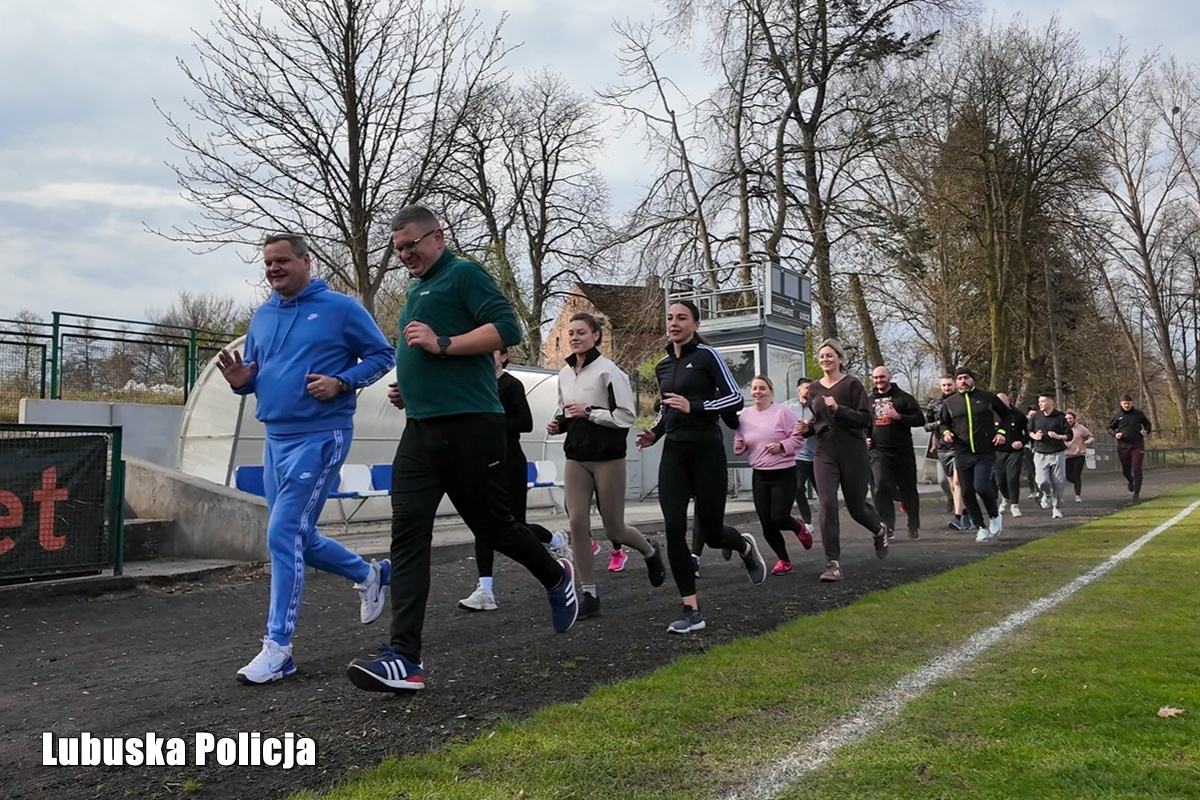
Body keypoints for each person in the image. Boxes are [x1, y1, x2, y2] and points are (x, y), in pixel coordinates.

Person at [347, 206, 578, 693]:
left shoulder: (464, 273)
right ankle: (404, 658)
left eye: (412, 245)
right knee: (408, 533)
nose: (406, 255)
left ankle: (556, 575)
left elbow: (507, 328)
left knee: (493, 527)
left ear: (439, 237)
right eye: (399, 249)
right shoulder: (415, 290)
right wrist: (412, 387)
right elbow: (424, 355)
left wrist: (442, 342)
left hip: (472, 427)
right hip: (421, 428)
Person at [217, 233, 396, 685]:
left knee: (282, 533)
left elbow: (382, 354)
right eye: (268, 263)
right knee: (300, 536)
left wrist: (342, 381)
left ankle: (278, 649)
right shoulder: (262, 316)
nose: (274, 269)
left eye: (282, 261)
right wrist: (241, 381)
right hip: (275, 436)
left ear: (305, 261)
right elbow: (257, 376)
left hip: (321, 434)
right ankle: (368, 574)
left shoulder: (342, 309)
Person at [634, 300, 766, 634]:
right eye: (669, 318)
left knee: (711, 531)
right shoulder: (663, 366)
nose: (674, 323)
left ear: (695, 324)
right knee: (674, 529)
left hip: (707, 452)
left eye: (681, 318)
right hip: (674, 454)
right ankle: (691, 609)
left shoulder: (707, 357)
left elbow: (734, 398)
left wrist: (695, 405)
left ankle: (744, 547)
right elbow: (668, 410)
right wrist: (655, 433)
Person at [546, 312, 666, 618]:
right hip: (576, 456)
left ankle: (650, 551)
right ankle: (589, 594)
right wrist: (559, 423)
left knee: (614, 528)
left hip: (608, 458)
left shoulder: (609, 372)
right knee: (577, 524)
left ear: (596, 335)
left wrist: (591, 413)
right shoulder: (563, 373)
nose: (574, 337)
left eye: (581, 332)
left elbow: (626, 417)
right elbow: (565, 409)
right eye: (570, 333)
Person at [458, 351, 570, 612]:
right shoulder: (475, 383)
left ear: (503, 357)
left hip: (509, 462)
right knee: (482, 525)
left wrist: (491, 422)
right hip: (481, 463)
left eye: (491, 353)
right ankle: (485, 590)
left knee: (514, 526)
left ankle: (555, 542)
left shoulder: (511, 385)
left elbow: (525, 423)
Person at [795, 339, 890, 582]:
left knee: (856, 507)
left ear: (840, 358)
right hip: (824, 450)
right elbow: (818, 421)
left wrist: (839, 409)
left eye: (830, 355)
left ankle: (879, 530)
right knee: (827, 503)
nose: (825, 359)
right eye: (822, 356)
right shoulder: (814, 388)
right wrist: (807, 428)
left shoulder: (852, 384)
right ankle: (832, 563)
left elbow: (865, 420)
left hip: (852, 449)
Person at [733, 376, 812, 576]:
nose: (758, 392)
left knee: (778, 518)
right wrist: (740, 446)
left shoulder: (782, 413)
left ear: (770, 391)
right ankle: (784, 561)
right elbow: (741, 439)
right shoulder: (745, 416)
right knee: (766, 522)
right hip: (759, 474)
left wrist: (782, 446)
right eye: (754, 388)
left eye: (762, 388)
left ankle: (797, 526)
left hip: (784, 473)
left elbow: (798, 437)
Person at [938, 367, 1009, 543]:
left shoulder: (987, 397)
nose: (963, 381)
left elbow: (1008, 416)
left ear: (973, 380)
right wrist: (946, 432)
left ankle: (994, 516)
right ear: (956, 382)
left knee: (982, 487)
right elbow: (943, 423)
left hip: (984, 452)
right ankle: (980, 527)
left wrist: (1001, 432)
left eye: (966, 378)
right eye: (960, 378)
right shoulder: (951, 402)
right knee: (967, 493)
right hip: (962, 453)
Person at [866, 366, 925, 539]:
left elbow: (920, 419)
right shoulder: (869, 400)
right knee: (880, 486)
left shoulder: (903, 398)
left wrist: (898, 416)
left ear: (889, 377)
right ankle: (887, 526)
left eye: (882, 377)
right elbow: (864, 422)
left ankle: (913, 525)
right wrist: (866, 438)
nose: (879, 381)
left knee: (909, 491)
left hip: (902, 451)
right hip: (879, 451)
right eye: (876, 378)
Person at [925, 375, 968, 530]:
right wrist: (939, 425)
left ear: (954, 386)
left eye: (949, 385)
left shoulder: (962, 401)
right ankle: (964, 509)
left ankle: (958, 517)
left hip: (960, 446)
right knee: (946, 482)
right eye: (944, 385)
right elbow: (926, 426)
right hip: (943, 447)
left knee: (958, 482)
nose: (947, 388)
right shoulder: (934, 404)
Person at [1028, 392, 1072, 518]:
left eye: (1043, 401)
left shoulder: (1060, 417)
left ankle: (1056, 508)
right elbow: (1029, 431)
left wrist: (1058, 436)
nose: (1040, 404)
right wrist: (1035, 436)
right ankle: (1047, 494)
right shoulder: (1036, 417)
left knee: (1059, 483)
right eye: (1039, 401)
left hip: (1057, 453)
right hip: (1040, 453)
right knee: (1041, 481)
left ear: (1051, 402)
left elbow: (1069, 435)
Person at [784, 377, 819, 526]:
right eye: (806, 388)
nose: (809, 391)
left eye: (812, 388)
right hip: (798, 457)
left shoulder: (818, 407)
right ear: (798, 390)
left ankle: (829, 521)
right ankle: (807, 522)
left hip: (817, 457)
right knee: (797, 488)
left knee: (824, 494)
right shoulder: (787, 408)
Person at [1108, 394, 1152, 500]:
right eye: (1125, 403)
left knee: (1137, 468)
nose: (1127, 405)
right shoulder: (1117, 415)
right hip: (1123, 446)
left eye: (1128, 403)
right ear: (1121, 404)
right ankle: (1130, 480)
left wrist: (1145, 431)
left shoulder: (1138, 414)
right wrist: (1115, 434)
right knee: (1126, 470)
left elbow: (1148, 424)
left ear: (1132, 403)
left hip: (1137, 445)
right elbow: (1110, 428)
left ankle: (1136, 493)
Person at [993, 393, 1028, 518]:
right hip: (997, 452)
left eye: (1003, 402)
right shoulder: (991, 415)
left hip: (1014, 451)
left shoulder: (1018, 415)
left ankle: (1015, 504)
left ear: (1009, 401)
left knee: (1012, 477)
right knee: (1000, 479)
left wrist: (1021, 442)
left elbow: (1027, 434)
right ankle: (1006, 498)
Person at [1063, 410, 1095, 503]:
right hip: (1067, 456)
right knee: (1068, 476)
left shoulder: (1080, 428)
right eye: (1067, 418)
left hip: (1079, 454)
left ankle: (1077, 495)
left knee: (1076, 475)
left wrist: (1088, 441)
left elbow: (1090, 436)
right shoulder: (1062, 428)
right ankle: (1076, 483)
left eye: (1070, 418)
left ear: (1074, 419)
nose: (1069, 420)